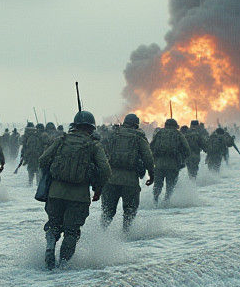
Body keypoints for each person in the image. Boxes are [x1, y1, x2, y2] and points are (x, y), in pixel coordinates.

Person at [39, 110, 110, 269]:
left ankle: (50, 246)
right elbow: (105, 170)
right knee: (71, 232)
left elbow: (43, 160)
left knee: (53, 225)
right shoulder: (93, 145)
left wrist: (55, 171)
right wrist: (98, 189)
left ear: (75, 125)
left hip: (55, 193)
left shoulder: (61, 140)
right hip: (79, 196)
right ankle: (62, 267)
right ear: (91, 127)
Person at [101, 113, 154, 232]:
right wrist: (151, 174)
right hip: (130, 181)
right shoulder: (138, 137)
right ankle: (125, 234)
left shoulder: (112, 134)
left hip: (110, 179)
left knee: (107, 213)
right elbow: (148, 157)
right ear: (136, 124)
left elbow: (101, 153)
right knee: (129, 213)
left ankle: (100, 235)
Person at [150, 117, 190, 203]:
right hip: (173, 165)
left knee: (157, 185)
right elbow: (187, 149)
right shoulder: (178, 134)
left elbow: (151, 147)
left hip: (159, 164)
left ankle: (155, 201)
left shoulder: (159, 133)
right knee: (170, 186)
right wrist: (182, 160)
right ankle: (166, 202)